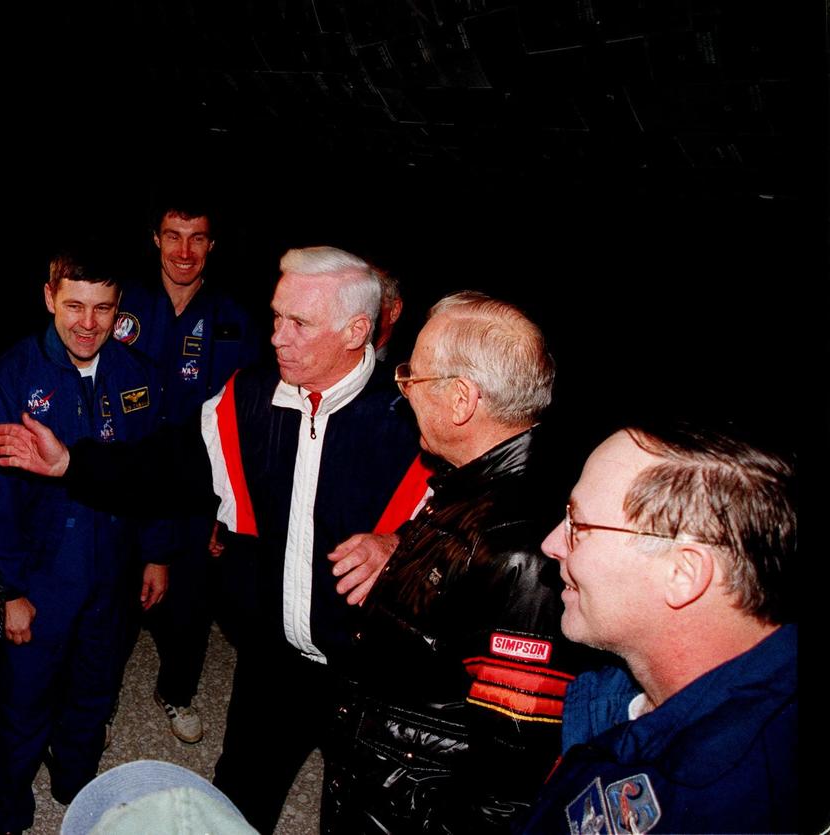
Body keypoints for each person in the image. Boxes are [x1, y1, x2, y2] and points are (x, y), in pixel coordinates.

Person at [0, 246, 431, 833]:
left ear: (356, 331)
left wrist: (403, 544)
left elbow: (483, 516)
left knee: (362, 817)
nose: (276, 338)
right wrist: (72, 462)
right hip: (273, 663)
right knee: (236, 803)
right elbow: (166, 465)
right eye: (275, 317)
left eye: (297, 324)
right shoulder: (247, 395)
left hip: (367, 673)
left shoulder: (411, 416)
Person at [322, 291, 590, 833]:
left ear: (462, 400)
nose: (403, 391)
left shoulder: (522, 554)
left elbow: (508, 781)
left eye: (413, 378)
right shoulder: (472, 483)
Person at [517, 423, 796, 834]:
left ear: (682, 574)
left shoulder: (727, 801)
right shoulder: (623, 698)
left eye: (579, 525)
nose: (552, 543)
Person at [0, 249, 171, 833]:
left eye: (103, 308)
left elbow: (153, 475)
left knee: (95, 688)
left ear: (119, 309)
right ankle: (11, 807)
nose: (88, 323)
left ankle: (76, 786)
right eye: (74, 306)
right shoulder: (12, 376)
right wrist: (10, 587)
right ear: (49, 298)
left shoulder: (136, 375)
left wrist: (158, 551)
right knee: (23, 699)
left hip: (112, 570)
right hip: (42, 575)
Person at [110, 199, 259, 743]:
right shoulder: (121, 304)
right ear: (155, 239)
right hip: (127, 480)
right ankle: (99, 700)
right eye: (174, 236)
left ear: (212, 245)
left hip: (197, 487)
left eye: (197, 238)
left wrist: (232, 508)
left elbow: (246, 421)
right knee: (115, 595)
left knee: (190, 604)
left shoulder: (234, 319)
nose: (184, 251)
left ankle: (176, 691)